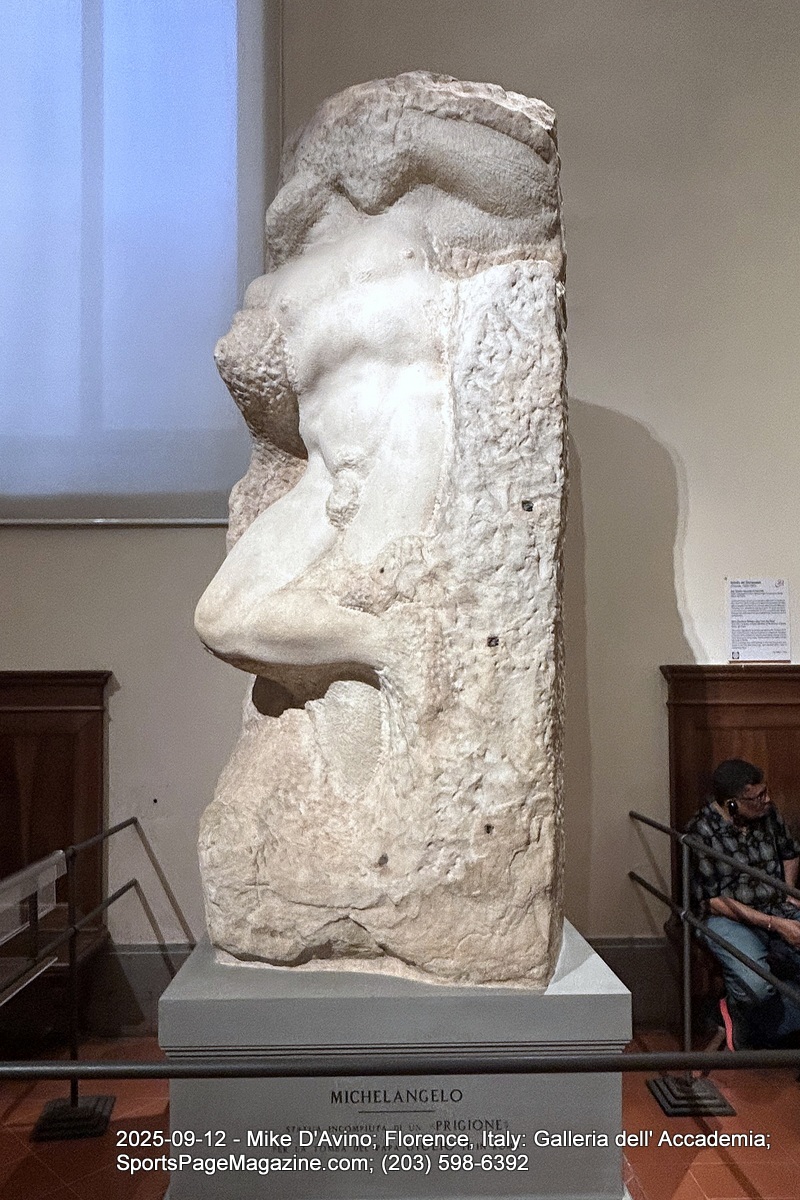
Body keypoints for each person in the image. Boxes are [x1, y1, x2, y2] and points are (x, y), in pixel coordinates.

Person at [686, 758, 800, 1048]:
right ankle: (744, 1015)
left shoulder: (768, 815)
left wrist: (788, 891)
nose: (767, 800)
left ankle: (745, 1021)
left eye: (765, 792)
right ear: (732, 804)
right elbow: (713, 901)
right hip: (727, 918)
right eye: (757, 797)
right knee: (757, 988)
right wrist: (776, 925)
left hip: (775, 905)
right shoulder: (701, 831)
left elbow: (790, 852)